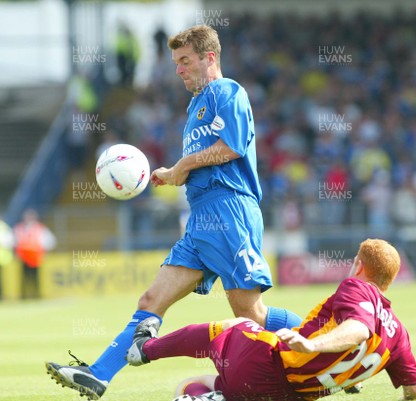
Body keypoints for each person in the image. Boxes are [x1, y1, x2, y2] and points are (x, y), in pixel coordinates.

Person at [46, 25, 302, 400]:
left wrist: (181, 166)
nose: (178, 70)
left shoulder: (227, 91)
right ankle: (99, 374)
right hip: (201, 219)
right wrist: (173, 173)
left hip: (230, 210)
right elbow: (204, 159)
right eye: (176, 63)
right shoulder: (195, 106)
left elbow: (231, 147)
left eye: (185, 61)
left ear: (208, 58)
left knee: (252, 316)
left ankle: (331, 348)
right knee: (151, 301)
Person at [126, 239, 416, 401]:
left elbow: (358, 330)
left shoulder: (356, 286)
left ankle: (144, 349)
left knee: (238, 327)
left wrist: (313, 346)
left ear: (359, 265)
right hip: (290, 396)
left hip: (267, 364)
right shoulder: (400, 337)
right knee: (194, 385)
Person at [13, 209, 56, 299]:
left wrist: (44, 252)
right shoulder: (20, 228)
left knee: (35, 278)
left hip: (35, 257)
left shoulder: (40, 228)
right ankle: (24, 296)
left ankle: (36, 295)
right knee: (24, 278)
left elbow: (50, 241)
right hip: (24, 257)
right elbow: (15, 241)